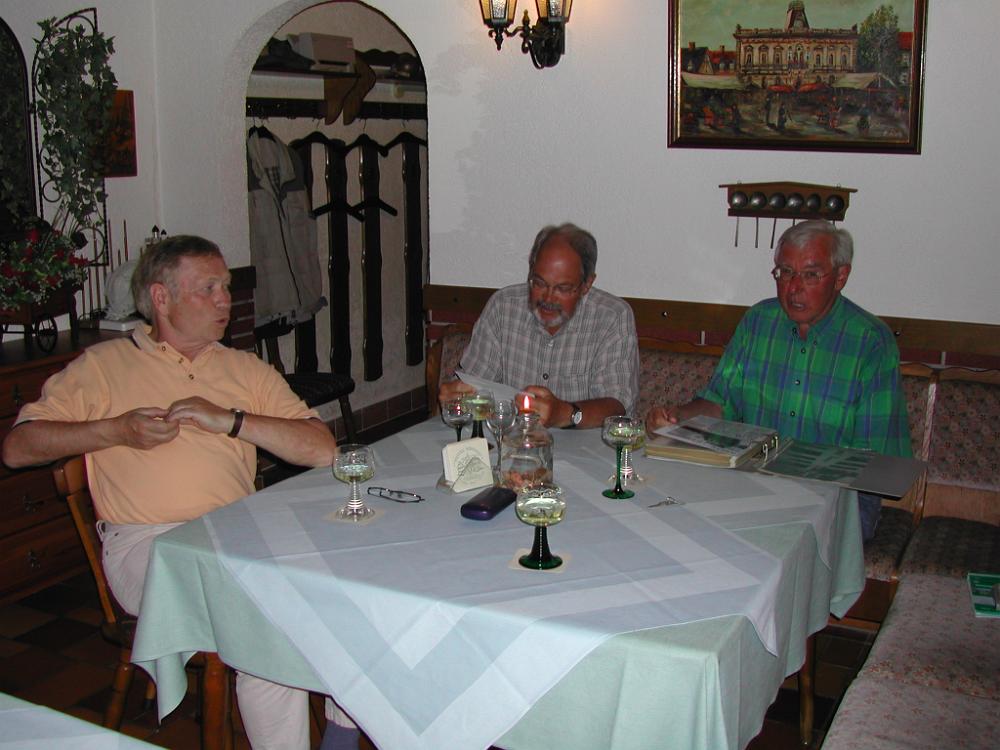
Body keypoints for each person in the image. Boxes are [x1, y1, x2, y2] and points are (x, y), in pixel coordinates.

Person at [2, 235, 339, 750]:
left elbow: (323, 450)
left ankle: (342, 724)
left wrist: (232, 420)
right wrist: (115, 430)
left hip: (236, 536)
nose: (225, 300)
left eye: (226, 287)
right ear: (161, 298)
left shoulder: (244, 369)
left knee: (336, 591)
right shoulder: (103, 366)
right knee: (268, 628)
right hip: (150, 545)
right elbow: (17, 448)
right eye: (209, 288)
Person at [646, 220, 911, 541]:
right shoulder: (759, 321)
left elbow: (875, 459)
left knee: (770, 536)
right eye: (785, 272)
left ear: (841, 277)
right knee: (668, 515)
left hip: (838, 495)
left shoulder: (870, 342)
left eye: (810, 275)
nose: (794, 287)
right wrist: (677, 418)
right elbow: (719, 402)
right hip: (754, 482)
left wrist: (797, 475)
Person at [439, 223, 639, 429]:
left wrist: (565, 414)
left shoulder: (612, 317)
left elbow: (617, 406)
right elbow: (474, 382)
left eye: (562, 288)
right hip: (513, 442)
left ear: (586, 284)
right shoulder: (503, 306)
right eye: (539, 283)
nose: (548, 298)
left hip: (584, 447)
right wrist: (457, 395)